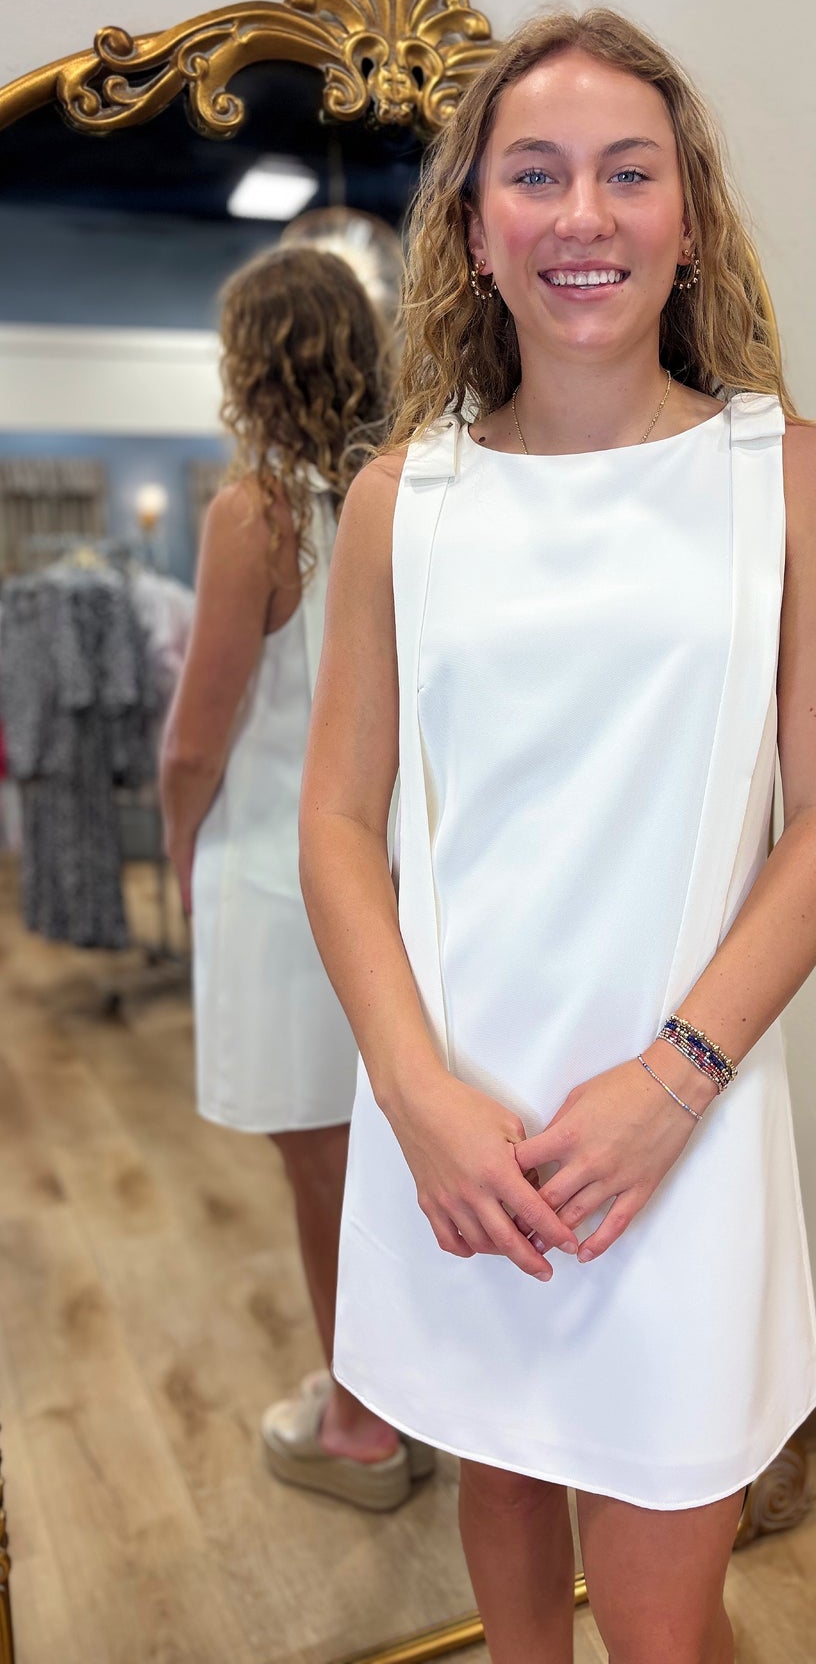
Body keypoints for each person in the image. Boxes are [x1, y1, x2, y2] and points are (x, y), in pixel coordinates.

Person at [300, 10, 816, 1661]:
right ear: (475, 226)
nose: (583, 216)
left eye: (629, 174)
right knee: (497, 1492)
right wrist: (416, 1096)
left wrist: (671, 1082)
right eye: (537, 175)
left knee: (660, 1607)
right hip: (459, 1111)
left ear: (688, 218)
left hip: (679, 1110)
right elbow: (335, 821)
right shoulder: (403, 502)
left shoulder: (794, 478)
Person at [160, 247, 429, 1511]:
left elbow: (195, 739)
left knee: (323, 1164)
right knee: (395, 1152)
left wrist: (178, 847)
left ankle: (362, 1423)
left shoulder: (255, 515)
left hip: (278, 879)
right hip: (394, 876)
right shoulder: (406, 495)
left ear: (249, 364)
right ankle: (407, 1388)